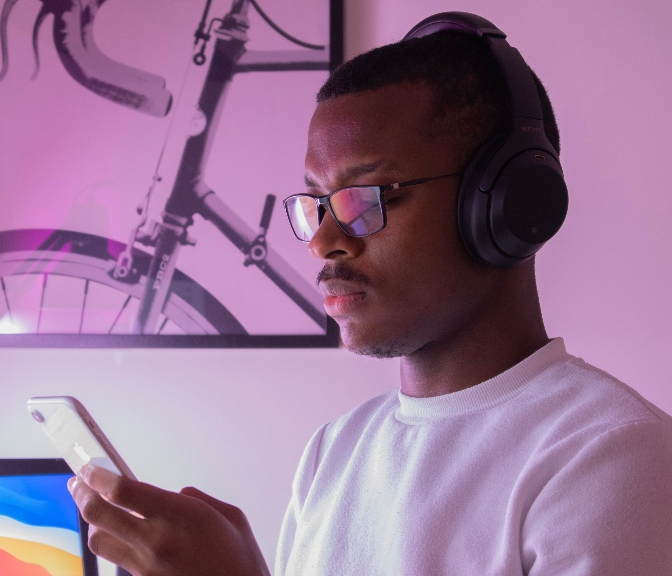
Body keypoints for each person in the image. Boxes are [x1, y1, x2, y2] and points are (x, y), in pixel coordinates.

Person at [68, 13, 672, 576]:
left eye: (366, 197)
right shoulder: (335, 450)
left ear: (503, 204)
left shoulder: (614, 458)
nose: (323, 240)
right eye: (316, 203)